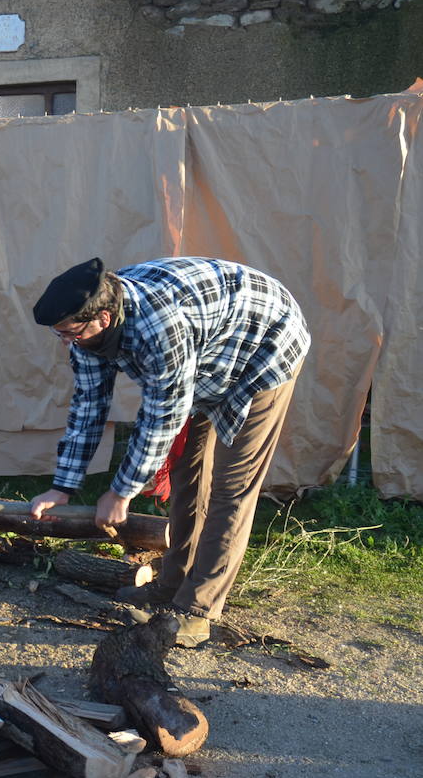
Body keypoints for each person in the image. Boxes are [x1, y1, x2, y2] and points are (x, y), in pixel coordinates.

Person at [27, 257, 310, 648]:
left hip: (264, 346)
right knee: (186, 473)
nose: (64, 343)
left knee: (231, 487)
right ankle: (171, 585)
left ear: (103, 319)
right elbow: (89, 406)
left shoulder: (160, 328)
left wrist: (121, 492)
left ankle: (198, 611)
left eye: (69, 334)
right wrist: (63, 486)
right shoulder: (86, 331)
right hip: (208, 351)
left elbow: (161, 418)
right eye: (59, 334)